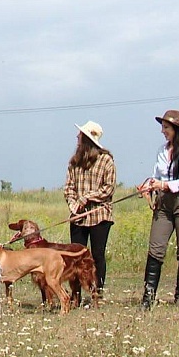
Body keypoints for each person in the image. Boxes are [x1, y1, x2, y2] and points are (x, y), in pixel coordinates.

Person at [137, 109, 179, 309]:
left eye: (166, 127)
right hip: (164, 203)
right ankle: (148, 298)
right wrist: (149, 186)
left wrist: (164, 186)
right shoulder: (162, 151)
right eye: (162, 127)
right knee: (155, 247)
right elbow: (157, 175)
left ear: (176, 129)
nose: (163, 131)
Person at [64, 121, 116, 294]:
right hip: (78, 217)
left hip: (99, 215)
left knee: (97, 255)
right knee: (75, 256)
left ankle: (97, 291)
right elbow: (68, 187)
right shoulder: (74, 162)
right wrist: (73, 205)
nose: (77, 137)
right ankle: (75, 293)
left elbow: (108, 188)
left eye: (80, 135)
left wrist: (87, 198)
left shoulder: (106, 160)